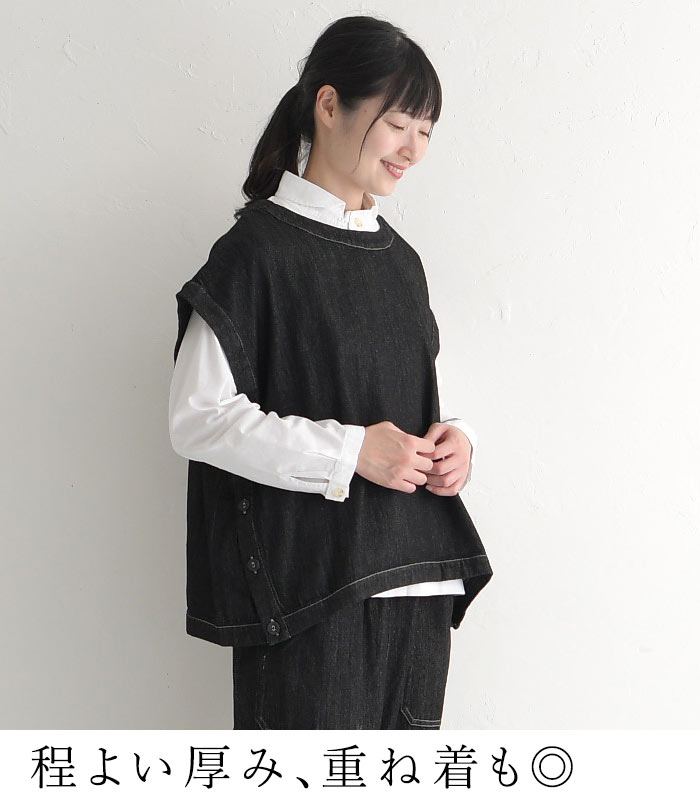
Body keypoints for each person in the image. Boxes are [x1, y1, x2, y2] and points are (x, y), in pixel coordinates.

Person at [169, 14, 493, 730]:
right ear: (328, 104)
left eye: (426, 131)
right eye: (398, 123)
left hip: (420, 586)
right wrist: (350, 452)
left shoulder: (402, 262)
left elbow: (390, 393)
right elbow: (197, 418)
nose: (413, 149)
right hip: (313, 599)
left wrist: (456, 440)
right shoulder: (256, 253)